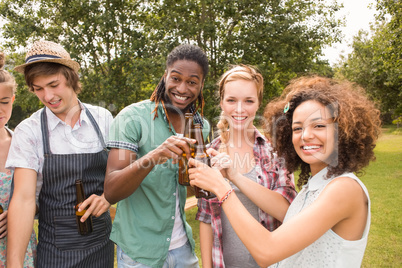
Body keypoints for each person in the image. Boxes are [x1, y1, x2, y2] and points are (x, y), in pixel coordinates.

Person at [189, 76, 381, 267]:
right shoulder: (315, 186)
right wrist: (234, 176)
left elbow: (267, 251)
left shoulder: (344, 188)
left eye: (319, 125)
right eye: (297, 128)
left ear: (342, 130)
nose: (306, 135)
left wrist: (221, 187)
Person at [6, 40, 114, 267]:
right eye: (38, 89)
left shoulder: (103, 119)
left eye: (53, 84)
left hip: (101, 247)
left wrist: (107, 197)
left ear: (71, 78)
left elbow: (119, 175)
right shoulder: (29, 131)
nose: (47, 96)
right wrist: (14, 264)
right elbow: (24, 200)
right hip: (55, 252)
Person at [104, 44, 210, 268]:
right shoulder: (132, 118)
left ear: (201, 85)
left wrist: (212, 172)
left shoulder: (201, 126)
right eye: (176, 78)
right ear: (165, 77)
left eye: (192, 82)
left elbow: (191, 189)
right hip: (139, 254)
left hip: (183, 250)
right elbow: (111, 191)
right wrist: (154, 156)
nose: (182, 88)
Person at [195, 65, 296, 268]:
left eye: (248, 101)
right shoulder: (209, 153)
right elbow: (206, 218)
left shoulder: (275, 150)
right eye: (231, 100)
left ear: (258, 103)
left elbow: (287, 212)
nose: (240, 109)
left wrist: (234, 177)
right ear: (222, 103)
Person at [0, 52, 37, 267]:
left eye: (4, 101)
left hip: (19, 250)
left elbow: (33, 197)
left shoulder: (22, 143)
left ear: (13, 99)